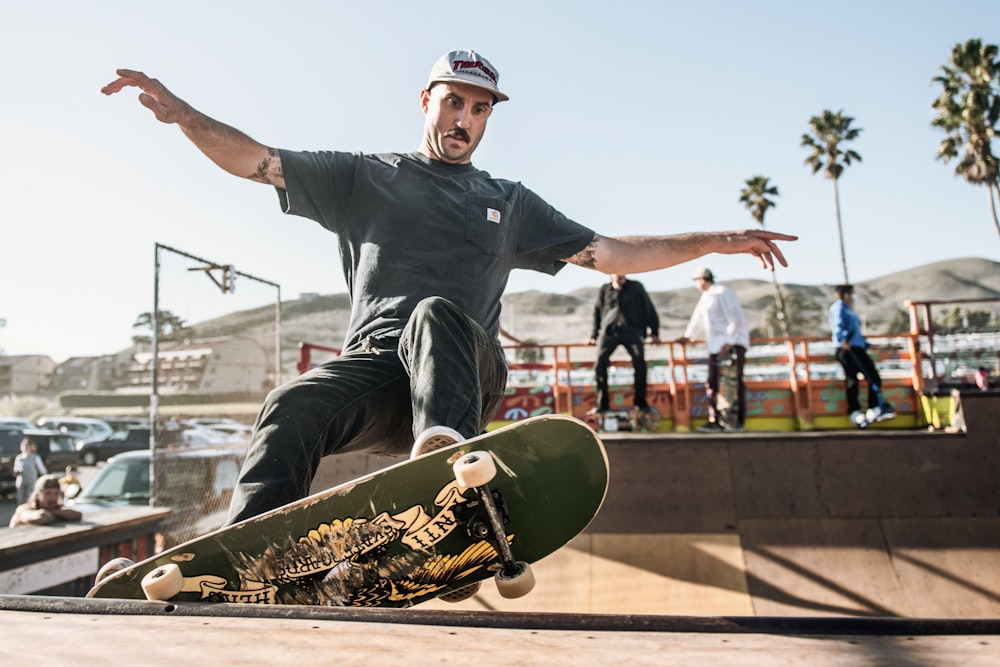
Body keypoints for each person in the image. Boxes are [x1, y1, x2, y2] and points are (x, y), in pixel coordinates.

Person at [101, 50, 795, 529]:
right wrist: (185, 115)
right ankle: (250, 549)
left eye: (480, 109)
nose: (466, 118)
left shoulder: (509, 200)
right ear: (427, 100)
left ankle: (456, 481)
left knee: (435, 315)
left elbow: (610, 251)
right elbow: (258, 161)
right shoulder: (365, 177)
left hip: (466, 370)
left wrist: (710, 241)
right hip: (381, 378)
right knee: (291, 402)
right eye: (455, 102)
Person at [679, 268, 750, 432]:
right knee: (714, 384)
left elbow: (735, 317)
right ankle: (717, 420)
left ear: (703, 279)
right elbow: (697, 320)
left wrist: (730, 342)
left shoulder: (723, 293)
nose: (697, 284)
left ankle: (734, 422)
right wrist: (688, 336)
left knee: (731, 384)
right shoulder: (706, 298)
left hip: (730, 346)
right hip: (716, 347)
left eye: (697, 280)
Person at [588, 274, 660, 416]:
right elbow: (597, 311)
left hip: (632, 331)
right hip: (609, 331)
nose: (619, 276)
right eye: (616, 273)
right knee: (600, 363)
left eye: (622, 273)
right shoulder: (605, 289)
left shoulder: (636, 287)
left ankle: (640, 403)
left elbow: (648, 307)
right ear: (610, 274)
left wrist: (654, 331)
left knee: (639, 362)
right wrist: (593, 335)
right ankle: (602, 405)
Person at [829, 284, 895, 426]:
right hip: (849, 349)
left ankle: (864, 411)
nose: (854, 297)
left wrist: (868, 345)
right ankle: (866, 410)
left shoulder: (848, 310)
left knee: (860, 378)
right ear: (846, 294)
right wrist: (842, 340)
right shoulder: (840, 308)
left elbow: (855, 333)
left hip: (855, 347)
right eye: (852, 294)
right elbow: (838, 326)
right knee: (865, 377)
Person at [8, 474, 83, 528]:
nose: (52, 498)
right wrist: (57, 514)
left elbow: (77, 515)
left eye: (56, 493)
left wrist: (54, 512)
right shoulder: (24, 509)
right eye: (47, 493)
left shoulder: (57, 508)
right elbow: (42, 518)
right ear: (37, 495)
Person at [12, 437, 47, 505]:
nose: (26, 448)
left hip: (31, 481)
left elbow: (43, 470)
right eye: (24, 446)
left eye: (28, 446)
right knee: (20, 499)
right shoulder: (19, 458)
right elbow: (16, 469)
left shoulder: (35, 457)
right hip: (21, 481)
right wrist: (16, 472)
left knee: (30, 498)